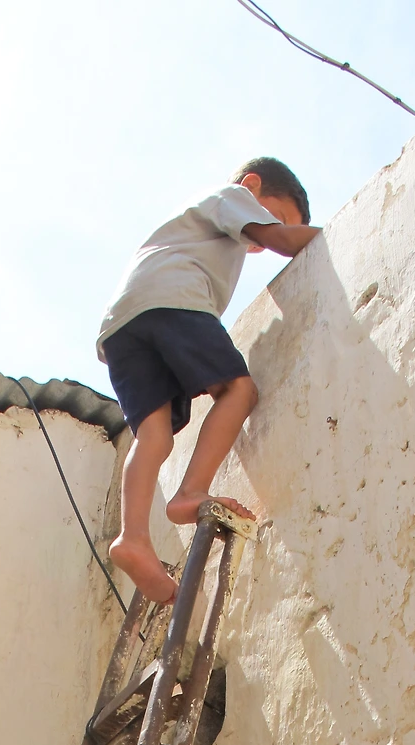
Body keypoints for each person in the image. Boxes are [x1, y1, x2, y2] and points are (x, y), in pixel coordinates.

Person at [97, 158, 321, 603]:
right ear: (252, 185)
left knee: (154, 436)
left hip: (122, 326)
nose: (272, 226)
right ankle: (190, 491)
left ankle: (133, 537)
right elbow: (278, 240)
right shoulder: (232, 198)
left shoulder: (198, 229)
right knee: (239, 389)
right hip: (173, 298)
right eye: (275, 213)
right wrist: (321, 236)